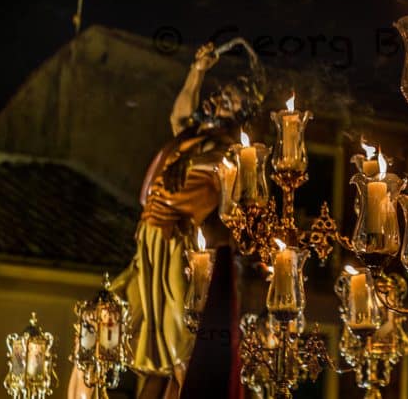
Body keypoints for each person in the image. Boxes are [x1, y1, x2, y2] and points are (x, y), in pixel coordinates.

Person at [68, 42, 263, 399]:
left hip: (178, 245)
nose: (216, 100)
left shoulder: (228, 150)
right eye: (219, 93)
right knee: (106, 317)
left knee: (181, 338)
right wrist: (197, 71)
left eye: (228, 100)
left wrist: (194, 162)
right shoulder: (190, 138)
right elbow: (180, 115)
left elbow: (228, 175)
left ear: (240, 113)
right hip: (148, 244)